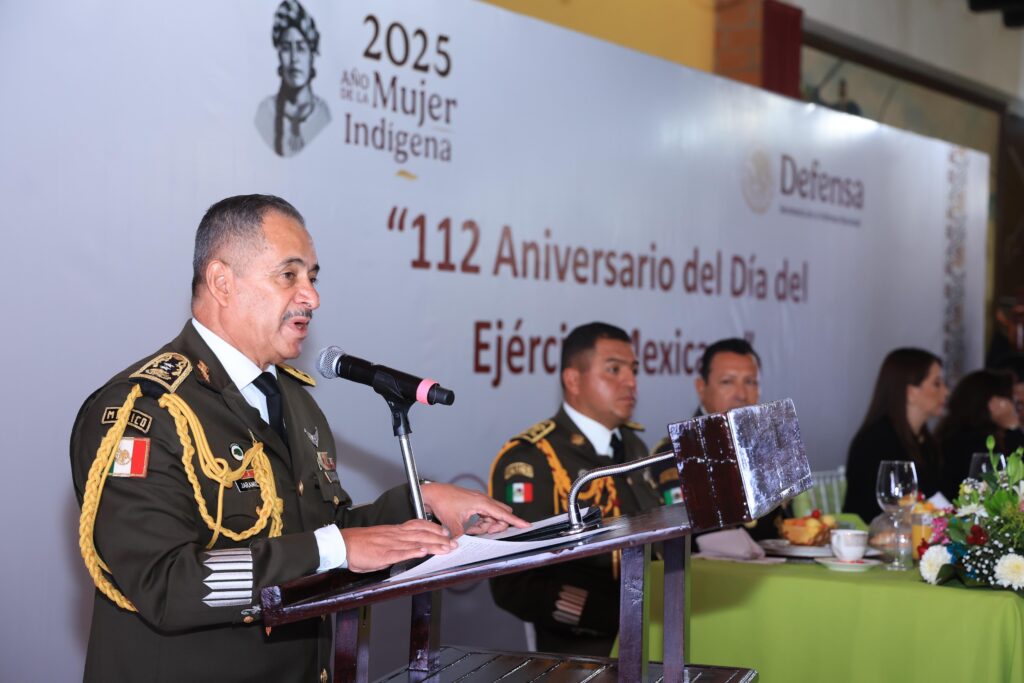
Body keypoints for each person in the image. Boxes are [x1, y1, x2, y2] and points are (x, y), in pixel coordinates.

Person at [70, 195, 525, 682]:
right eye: (289, 275)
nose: (312, 297)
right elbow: (164, 584)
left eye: (313, 277)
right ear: (222, 282)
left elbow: (322, 532)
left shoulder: (292, 398)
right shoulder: (146, 411)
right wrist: (334, 547)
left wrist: (424, 501)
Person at [487, 322, 662, 656]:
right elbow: (515, 582)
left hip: (657, 637)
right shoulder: (534, 458)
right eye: (614, 369)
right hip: (584, 651)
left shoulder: (633, 446)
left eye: (633, 370)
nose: (630, 382)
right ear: (573, 380)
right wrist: (615, 615)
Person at [650, 338, 761, 511]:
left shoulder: (767, 444)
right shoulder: (677, 452)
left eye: (749, 382)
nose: (741, 395)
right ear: (701, 387)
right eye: (727, 382)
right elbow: (682, 523)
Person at [843, 348, 948, 524]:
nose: (946, 392)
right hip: (875, 536)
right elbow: (875, 511)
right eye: (937, 384)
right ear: (911, 392)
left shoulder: (927, 442)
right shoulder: (875, 441)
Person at [254, 0, 331, 157]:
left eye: (301, 48)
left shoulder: (324, 116)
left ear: (312, 55)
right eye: (286, 48)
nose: (294, 58)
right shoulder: (264, 114)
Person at [936, 369, 1024, 498]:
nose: (1016, 410)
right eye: (1015, 403)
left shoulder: (952, 434)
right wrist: (1013, 427)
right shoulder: (975, 441)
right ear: (995, 403)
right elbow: (1016, 478)